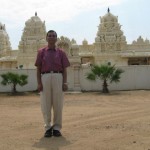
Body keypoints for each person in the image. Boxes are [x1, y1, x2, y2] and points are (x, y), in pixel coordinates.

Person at [35, 30, 70, 137]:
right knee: (45, 104)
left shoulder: (61, 52)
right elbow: (38, 69)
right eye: (49, 36)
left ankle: (57, 128)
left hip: (58, 76)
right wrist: (39, 83)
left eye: (54, 36)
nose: (51, 37)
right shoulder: (41, 52)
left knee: (58, 104)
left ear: (56, 38)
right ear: (46, 38)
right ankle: (48, 127)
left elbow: (64, 69)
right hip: (45, 76)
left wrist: (65, 82)